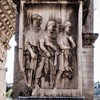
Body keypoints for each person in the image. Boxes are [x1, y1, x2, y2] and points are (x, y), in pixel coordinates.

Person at [32, 19, 57, 95]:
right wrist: (47, 52)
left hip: (51, 55)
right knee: (40, 68)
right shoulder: (43, 34)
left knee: (50, 69)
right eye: (52, 26)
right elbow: (41, 45)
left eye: (54, 26)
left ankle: (50, 84)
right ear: (48, 26)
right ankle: (36, 83)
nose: (53, 28)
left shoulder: (52, 35)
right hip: (43, 55)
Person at [54, 20, 76, 89]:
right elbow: (61, 46)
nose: (69, 28)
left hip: (69, 55)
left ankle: (68, 85)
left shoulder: (69, 36)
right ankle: (55, 85)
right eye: (68, 27)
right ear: (64, 27)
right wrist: (68, 47)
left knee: (69, 70)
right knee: (61, 70)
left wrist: (72, 41)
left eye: (70, 27)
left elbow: (74, 46)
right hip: (62, 54)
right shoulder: (60, 35)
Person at [24, 14, 42, 87]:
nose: (40, 22)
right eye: (38, 20)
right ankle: (29, 83)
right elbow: (27, 44)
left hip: (38, 51)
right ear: (34, 20)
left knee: (37, 68)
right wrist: (31, 52)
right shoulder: (29, 32)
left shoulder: (40, 32)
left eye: (40, 21)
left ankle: (36, 83)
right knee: (30, 68)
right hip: (31, 51)